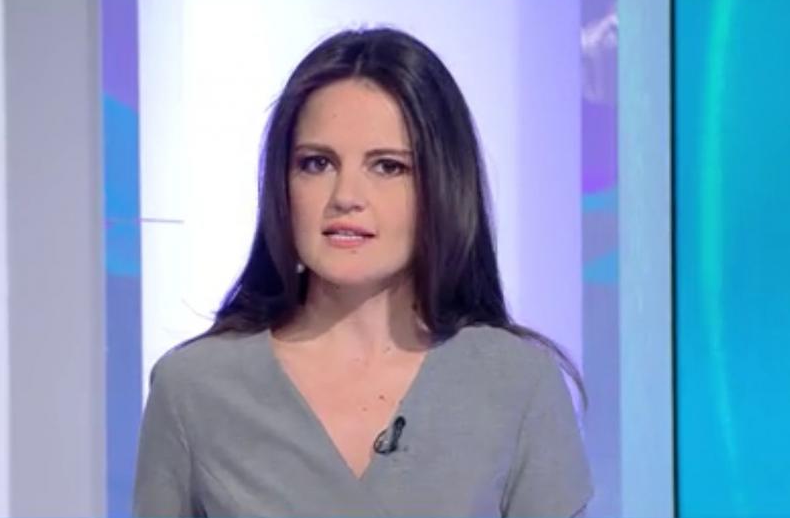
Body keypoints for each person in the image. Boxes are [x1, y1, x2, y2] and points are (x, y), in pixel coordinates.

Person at [132, 26, 593, 518]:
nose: (346, 196)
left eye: (387, 166)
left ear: (443, 183)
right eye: (316, 163)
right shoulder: (194, 390)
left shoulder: (517, 385)